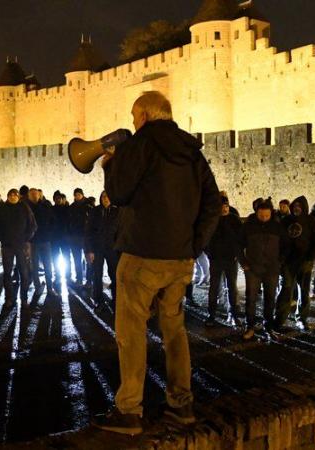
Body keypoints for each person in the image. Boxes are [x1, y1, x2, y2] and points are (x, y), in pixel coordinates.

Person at [93, 91, 220, 434]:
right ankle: (182, 405)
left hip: (141, 256)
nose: (133, 123)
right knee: (175, 332)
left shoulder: (141, 144)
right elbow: (213, 204)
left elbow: (118, 194)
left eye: (135, 117)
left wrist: (109, 165)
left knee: (131, 332)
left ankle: (130, 411)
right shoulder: (192, 153)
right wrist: (193, 245)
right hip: (179, 259)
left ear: (146, 116)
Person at [239, 199, 290, 340]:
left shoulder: (277, 227)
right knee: (251, 299)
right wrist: (244, 263)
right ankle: (250, 326)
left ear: (270, 213)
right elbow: (238, 245)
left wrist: (280, 261)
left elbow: (286, 246)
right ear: (256, 213)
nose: (264, 218)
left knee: (270, 299)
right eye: (261, 216)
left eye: (267, 216)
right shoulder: (248, 226)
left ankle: (268, 327)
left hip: (271, 269)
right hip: (253, 269)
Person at [274, 196, 315, 331]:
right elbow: (280, 240)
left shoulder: (312, 221)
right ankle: (279, 318)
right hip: (289, 262)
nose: (296, 209)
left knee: (304, 292)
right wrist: (281, 258)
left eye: (299, 207)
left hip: (304, 262)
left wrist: (310, 257)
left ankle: (301, 318)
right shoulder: (286, 221)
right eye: (294, 206)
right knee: (285, 290)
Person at [204, 195, 242, 327]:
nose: (224, 209)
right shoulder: (212, 220)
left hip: (231, 259)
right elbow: (206, 238)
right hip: (216, 259)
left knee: (231, 287)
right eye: (222, 206)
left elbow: (240, 239)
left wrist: (237, 254)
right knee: (214, 288)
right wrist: (209, 253)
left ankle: (233, 314)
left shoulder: (234, 220)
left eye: (226, 206)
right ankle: (211, 314)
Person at [0, 189, 37, 307]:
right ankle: (9, 298)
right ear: (7, 196)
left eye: (15, 195)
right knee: (7, 273)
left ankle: (24, 299)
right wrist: (2, 238)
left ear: (18, 197)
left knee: (24, 273)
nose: (13, 197)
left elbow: (33, 225)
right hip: (7, 246)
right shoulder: (2, 208)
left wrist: (26, 239)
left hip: (21, 246)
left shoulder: (24, 208)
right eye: (10, 195)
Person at [85, 190, 120, 307]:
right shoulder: (95, 211)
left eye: (108, 196)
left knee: (114, 274)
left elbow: (120, 231)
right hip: (97, 248)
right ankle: (99, 300)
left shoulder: (116, 211)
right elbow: (88, 231)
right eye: (103, 196)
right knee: (97, 274)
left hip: (112, 248)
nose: (105, 198)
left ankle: (116, 300)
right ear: (100, 198)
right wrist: (89, 250)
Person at [28, 188, 57, 297]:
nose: (35, 196)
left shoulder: (45, 206)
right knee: (34, 265)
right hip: (32, 241)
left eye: (36, 194)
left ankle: (50, 288)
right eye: (32, 194)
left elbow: (53, 220)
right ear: (29, 196)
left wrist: (49, 233)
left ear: (39, 195)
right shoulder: (26, 207)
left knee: (48, 265)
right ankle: (37, 286)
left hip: (45, 240)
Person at [68, 188, 90, 287]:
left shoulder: (88, 206)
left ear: (82, 195)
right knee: (77, 259)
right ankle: (79, 279)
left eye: (79, 194)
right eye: (76, 195)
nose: (77, 196)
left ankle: (89, 280)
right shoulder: (72, 207)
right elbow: (69, 222)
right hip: (75, 237)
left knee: (88, 258)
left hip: (85, 236)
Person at [51, 191, 71, 284]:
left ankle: (68, 275)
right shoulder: (51, 209)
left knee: (66, 257)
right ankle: (58, 275)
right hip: (55, 238)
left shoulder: (67, 209)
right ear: (54, 199)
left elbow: (70, 223)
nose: (58, 200)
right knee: (55, 258)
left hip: (64, 238)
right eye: (56, 198)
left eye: (60, 198)